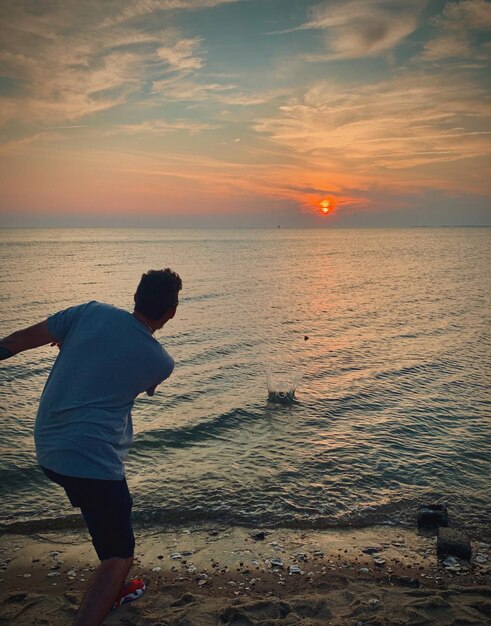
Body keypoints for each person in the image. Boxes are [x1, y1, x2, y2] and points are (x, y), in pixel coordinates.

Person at [0, 268, 182, 626]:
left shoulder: (89, 312)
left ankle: (112, 589)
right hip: (91, 460)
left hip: (49, 449)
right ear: (171, 312)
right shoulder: (161, 362)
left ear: (135, 297)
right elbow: (140, 381)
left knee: (116, 511)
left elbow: (17, 342)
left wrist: (72, 341)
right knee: (119, 554)